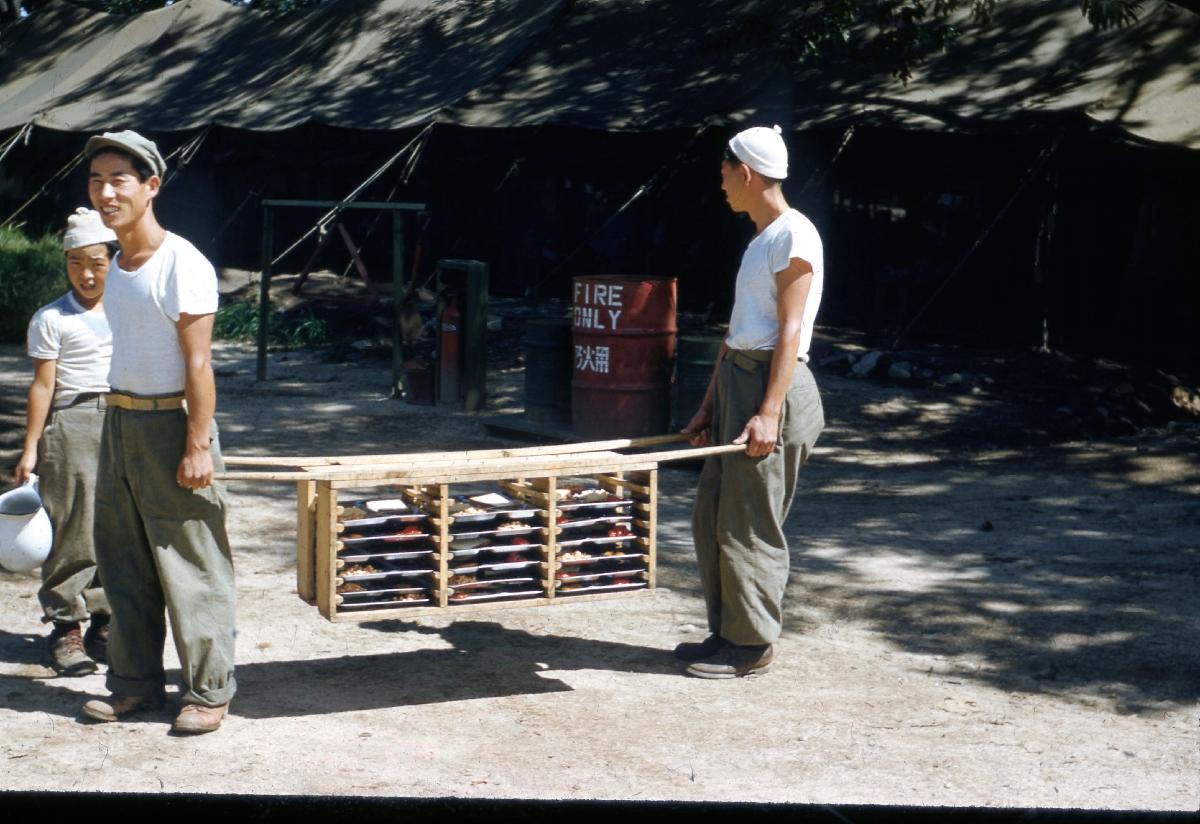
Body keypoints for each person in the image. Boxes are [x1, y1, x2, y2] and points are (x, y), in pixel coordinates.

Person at [76, 130, 237, 734]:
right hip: (120, 421)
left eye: (119, 178)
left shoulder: (182, 261)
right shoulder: (116, 262)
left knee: (192, 564)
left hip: (174, 425)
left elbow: (198, 364)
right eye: (96, 179)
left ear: (151, 187)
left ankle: (207, 690)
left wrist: (197, 444)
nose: (106, 191)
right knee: (123, 562)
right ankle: (134, 684)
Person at [678, 125, 826, 679]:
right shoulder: (760, 239)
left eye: (722, 176)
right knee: (713, 514)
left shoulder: (795, 235)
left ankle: (753, 645)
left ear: (745, 173)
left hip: (773, 387)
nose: (720, 187)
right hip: (740, 383)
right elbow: (736, 332)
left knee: (749, 522)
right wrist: (708, 405)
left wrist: (768, 411)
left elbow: (789, 331)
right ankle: (726, 633)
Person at [16, 208, 118, 676]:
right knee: (74, 525)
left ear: (113, 259)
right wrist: (31, 447)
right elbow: (43, 386)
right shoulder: (52, 317)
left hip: (127, 417)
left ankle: (105, 622)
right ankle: (65, 627)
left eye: (96, 261)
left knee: (118, 524)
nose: (87, 273)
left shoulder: (129, 310)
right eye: (75, 263)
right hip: (73, 421)